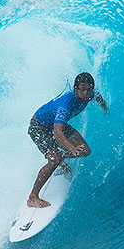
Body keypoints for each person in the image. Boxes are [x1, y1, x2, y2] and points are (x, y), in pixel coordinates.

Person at [26, 72, 108, 207]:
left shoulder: (90, 94)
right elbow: (57, 132)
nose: (86, 93)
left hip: (56, 125)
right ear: (75, 89)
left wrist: (105, 108)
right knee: (54, 160)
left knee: (85, 150)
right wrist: (71, 148)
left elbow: (98, 97)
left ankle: (60, 159)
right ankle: (33, 197)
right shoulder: (66, 104)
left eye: (89, 89)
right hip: (39, 126)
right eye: (83, 90)